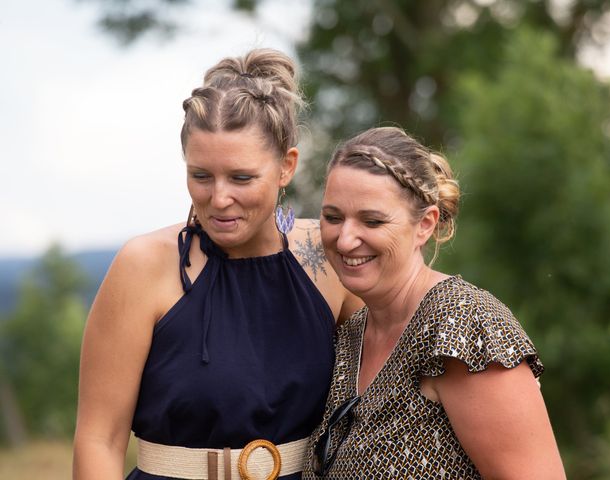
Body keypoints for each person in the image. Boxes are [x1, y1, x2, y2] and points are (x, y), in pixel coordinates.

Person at [73, 48, 362, 480]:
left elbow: (379, 399)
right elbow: (100, 440)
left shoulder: (328, 256)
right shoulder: (142, 266)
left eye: (241, 178)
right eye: (201, 176)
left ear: (287, 166)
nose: (219, 198)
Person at [303, 127, 566, 479]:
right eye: (333, 217)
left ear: (425, 224)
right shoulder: (350, 334)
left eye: (372, 220)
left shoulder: (462, 325)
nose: (346, 238)